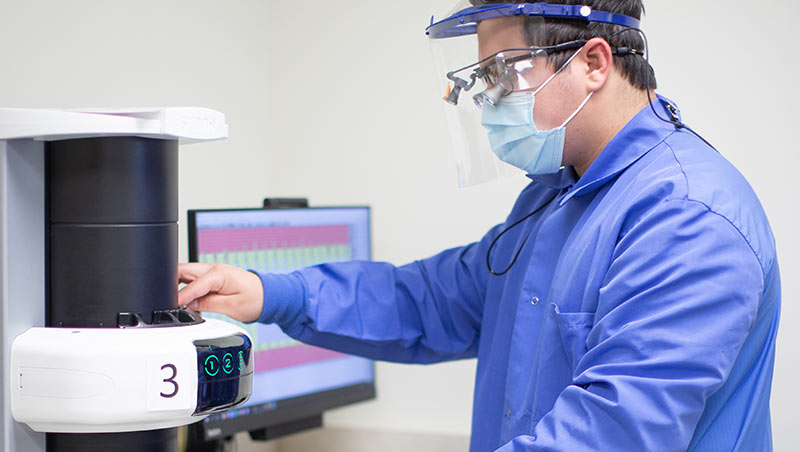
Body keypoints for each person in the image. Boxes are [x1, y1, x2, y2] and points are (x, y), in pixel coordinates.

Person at [178, 1, 780, 451]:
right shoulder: (556, 199)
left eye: (502, 75)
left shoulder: (688, 216)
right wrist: (268, 293)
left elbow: (611, 432)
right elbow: (428, 301)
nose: (488, 100)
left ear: (593, 62)